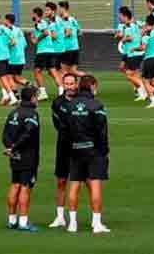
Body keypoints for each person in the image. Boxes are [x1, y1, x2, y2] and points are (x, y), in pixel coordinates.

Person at [64, 74, 110, 234]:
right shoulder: (97, 105)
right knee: (95, 185)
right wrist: (104, 151)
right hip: (94, 150)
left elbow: (65, 130)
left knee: (74, 185)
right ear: (92, 86)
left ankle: (72, 223)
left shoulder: (69, 106)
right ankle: (96, 224)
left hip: (75, 149)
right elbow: (102, 131)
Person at [3, 86, 42, 232]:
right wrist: (15, 148)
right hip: (27, 156)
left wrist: (9, 148)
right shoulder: (32, 114)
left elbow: (5, 134)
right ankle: (23, 222)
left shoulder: (13, 112)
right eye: (36, 96)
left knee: (15, 184)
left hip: (14, 156)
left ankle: (12, 220)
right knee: (25, 187)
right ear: (32, 98)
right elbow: (28, 134)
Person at [48, 72, 79, 229]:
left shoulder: (83, 101)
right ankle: (60, 217)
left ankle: (80, 218)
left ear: (76, 84)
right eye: (66, 84)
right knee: (61, 181)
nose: (69, 87)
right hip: (64, 146)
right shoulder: (57, 103)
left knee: (82, 182)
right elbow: (57, 125)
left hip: (81, 147)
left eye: (71, 83)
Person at [115, 7, 146, 101]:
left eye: (120, 15)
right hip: (129, 52)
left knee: (129, 75)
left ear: (125, 16)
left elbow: (129, 38)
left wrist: (124, 38)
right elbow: (117, 35)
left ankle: (142, 88)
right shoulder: (124, 26)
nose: (118, 17)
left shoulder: (131, 25)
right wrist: (121, 36)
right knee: (127, 70)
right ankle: (141, 91)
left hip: (134, 53)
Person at [30, 7, 60, 101]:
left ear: (36, 14)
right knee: (53, 71)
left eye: (33, 14)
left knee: (37, 71)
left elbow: (46, 33)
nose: (32, 16)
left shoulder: (39, 23)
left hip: (43, 51)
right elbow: (52, 34)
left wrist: (37, 39)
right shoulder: (45, 23)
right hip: (51, 50)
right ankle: (61, 90)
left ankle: (43, 93)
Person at [3, 13, 30, 94]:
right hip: (21, 58)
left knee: (9, 77)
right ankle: (32, 87)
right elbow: (25, 44)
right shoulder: (19, 30)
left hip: (12, 58)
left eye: (4, 19)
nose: (3, 21)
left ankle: (16, 96)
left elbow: (12, 43)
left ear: (7, 20)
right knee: (17, 78)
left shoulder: (7, 30)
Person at [57, 1, 82, 76]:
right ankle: (89, 79)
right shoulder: (73, 19)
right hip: (75, 48)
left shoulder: (64, 19)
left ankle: (63, 87)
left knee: (62, 71)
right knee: (73, 71)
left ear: (63, 8)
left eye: (59, 8)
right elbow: (79, 32)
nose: (58, 10)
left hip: (67, 49)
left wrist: (59, 38)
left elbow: (68, 33)